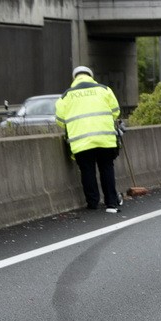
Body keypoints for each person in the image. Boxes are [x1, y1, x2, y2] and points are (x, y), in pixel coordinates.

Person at [55, 65, 123, 213]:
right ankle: (111, 201)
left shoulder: (66, 96)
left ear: (75, 78)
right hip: (105, 138)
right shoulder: (104, 90)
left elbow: (60, 120)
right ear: (90, 76)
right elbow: (116, 112)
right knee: (106, 168)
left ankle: (93, 203)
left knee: (87, 170)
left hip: (81, 142)